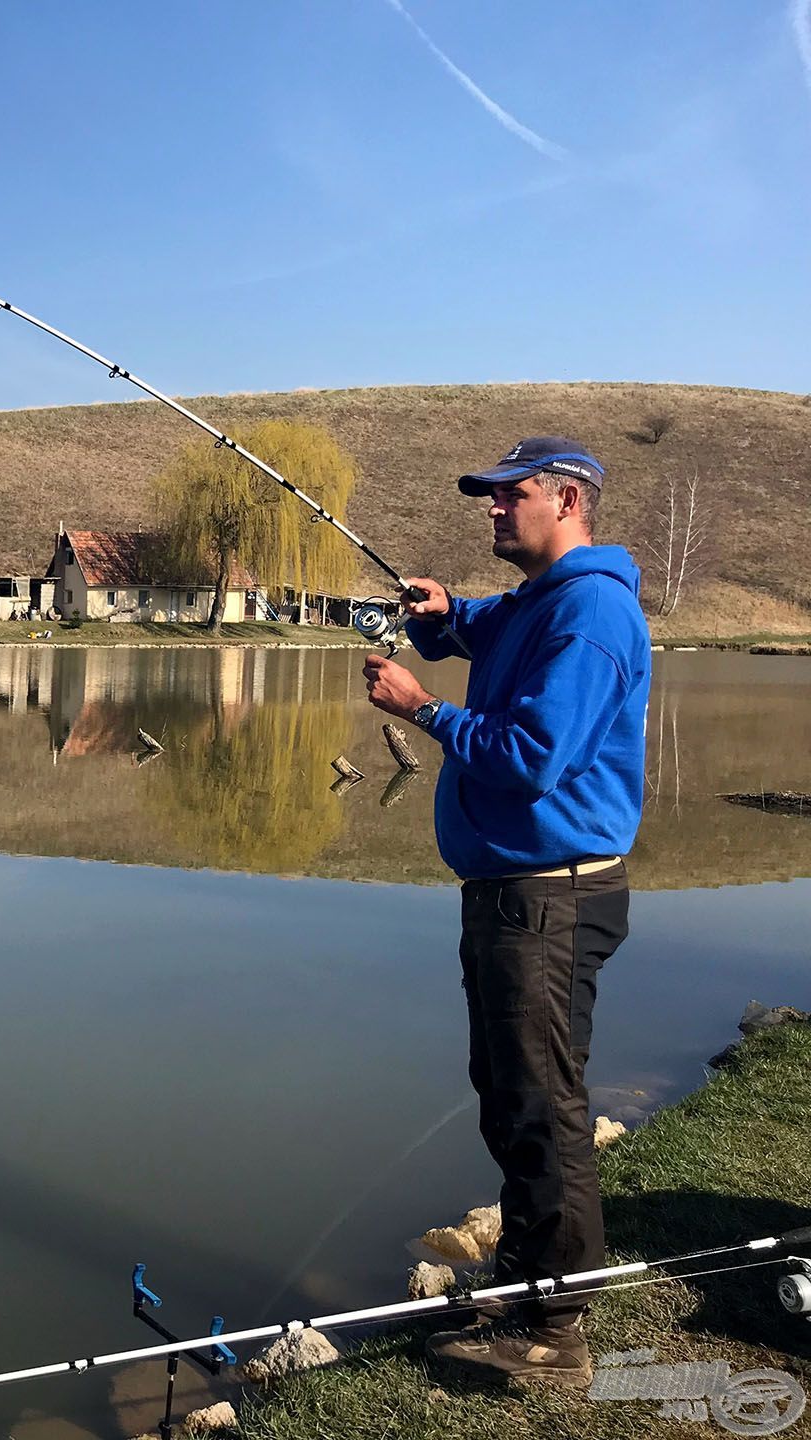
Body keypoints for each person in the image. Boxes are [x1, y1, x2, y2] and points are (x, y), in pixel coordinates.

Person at [361, 436, 651, 1389]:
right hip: (519, 896)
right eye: (486, 498)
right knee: (510, 1093)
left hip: (550, 903)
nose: (490, 509)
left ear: (566, 501)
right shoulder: (541, 602)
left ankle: (554, 1333)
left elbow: (533, 757)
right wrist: (444, 616)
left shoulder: (592, 614)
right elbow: (488, 626)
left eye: (507, 496)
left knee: (541, 1108)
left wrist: (423, 709)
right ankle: (528, 1283)